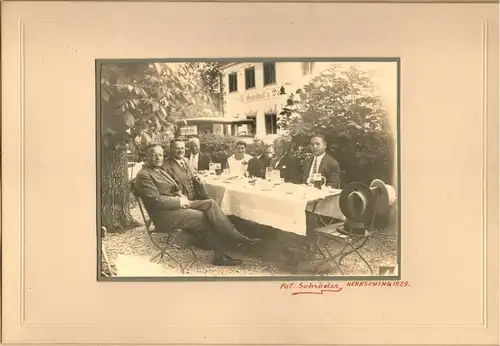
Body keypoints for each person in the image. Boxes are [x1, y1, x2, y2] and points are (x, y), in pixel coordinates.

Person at [135, 143, 261, 266]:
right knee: (203, 216)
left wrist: (180, 195)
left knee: (210, 204)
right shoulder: (144, 175)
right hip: (164, 215)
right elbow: (156, 201)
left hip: (176, 206)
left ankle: (237, 237)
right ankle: (222, 253)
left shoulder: (159, 171)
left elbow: (173, 187)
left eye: (160, 155)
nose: (158, 158)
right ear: (146, 157)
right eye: (153, 155)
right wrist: (180, 201)